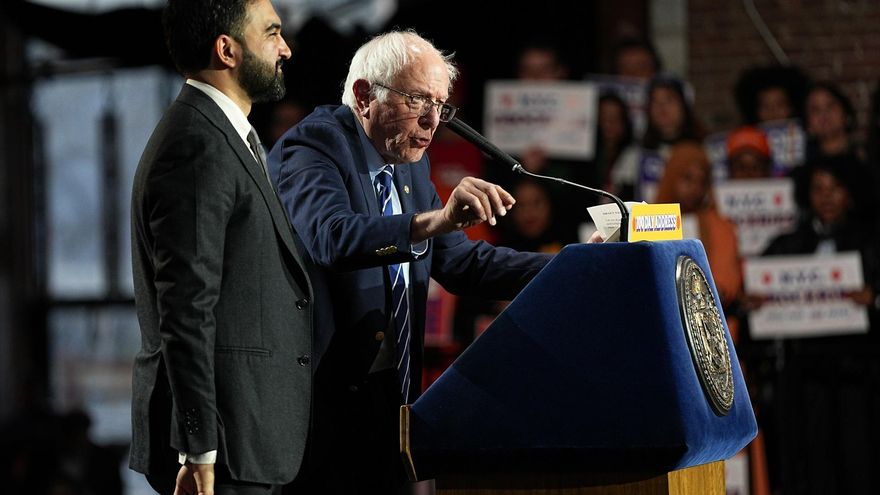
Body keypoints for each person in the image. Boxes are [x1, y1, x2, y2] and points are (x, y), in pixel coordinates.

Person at [268, 29, 556, 493]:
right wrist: (434, 221)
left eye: (441, 106)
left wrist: (573, 267)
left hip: (393, 399)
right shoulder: (313, 147)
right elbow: (332, 237)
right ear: (364, 96)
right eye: (419, 99)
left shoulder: (409, 161)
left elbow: (464, 264)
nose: (433, 120)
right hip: (320, 407)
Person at [129, 1, 318, 494]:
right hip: (224, 450)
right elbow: (186, 308)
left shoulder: (221, 135)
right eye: (273, 33)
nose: (286, 48)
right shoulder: (197, 144)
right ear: (227, 49)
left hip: (246, 437)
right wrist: (199, 449)